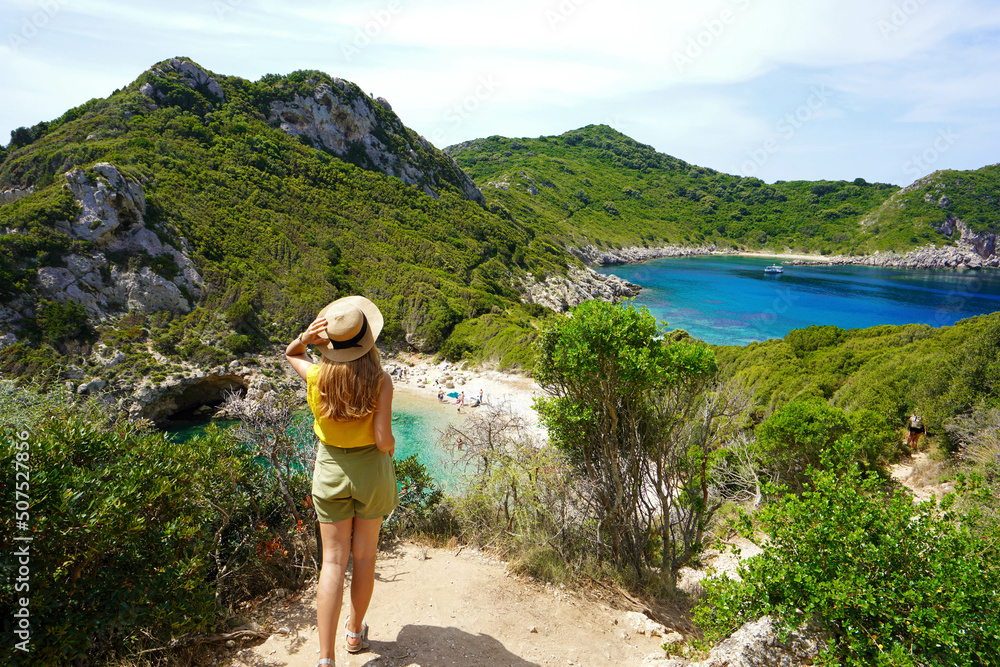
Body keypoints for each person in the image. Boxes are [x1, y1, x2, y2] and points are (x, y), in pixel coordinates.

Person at [285, 296, 397, 666]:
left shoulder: (318, 375)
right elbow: (383, 441)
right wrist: (390, 445)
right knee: (364, 557)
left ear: (330, 341)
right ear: (368, 341)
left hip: (330, 471)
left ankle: (326, 658)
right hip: (371, 474)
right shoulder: (380, 381)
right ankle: (354, 633)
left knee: (332, 563)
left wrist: (306, 338)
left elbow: (291, 354)